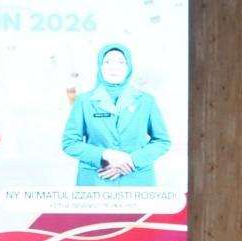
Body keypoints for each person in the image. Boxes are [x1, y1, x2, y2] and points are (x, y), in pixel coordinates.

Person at [61, 43, 171, 186]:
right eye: (107, 62)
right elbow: (70, 143)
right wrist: (106, 154)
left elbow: (162, 141)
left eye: (121, 62)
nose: (114, 67)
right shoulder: (84, 101)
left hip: (137, 180)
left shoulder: (146, 101)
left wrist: (131, 161)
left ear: (129, 67)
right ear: (100, 66)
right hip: (96, 180)